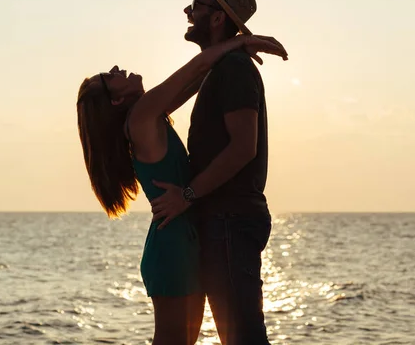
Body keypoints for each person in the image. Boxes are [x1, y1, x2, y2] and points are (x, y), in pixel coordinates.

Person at [76, 32, 287, 344]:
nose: (118, 68)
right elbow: (196, 67)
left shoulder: (147, 116)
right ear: (116, 100)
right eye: (110, 77)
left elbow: (199, 76)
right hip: (172, 246)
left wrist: (236, 51)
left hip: (181, 240)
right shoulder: (141, 116)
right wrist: (242, 41)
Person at [150, 0, 280, 345]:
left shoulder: (234, 69)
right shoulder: (221, 67)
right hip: (225, 220)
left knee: (243, 338)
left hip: (230, 220)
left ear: (218, 17)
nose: (188, 11)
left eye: (198, 5)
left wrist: (186, 195)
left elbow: (243, 148)